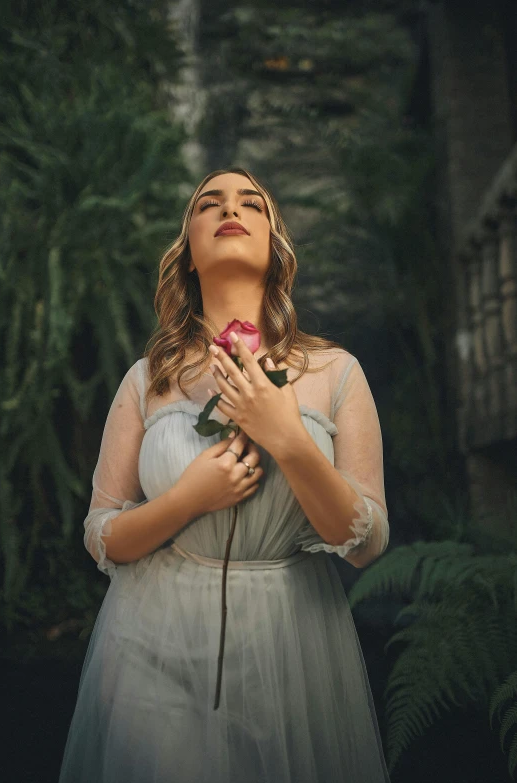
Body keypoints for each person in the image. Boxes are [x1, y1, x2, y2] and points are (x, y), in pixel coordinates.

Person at [58, 168, 391, 783]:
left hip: (294, 644)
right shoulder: (144, 381)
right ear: (187, 253)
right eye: (208, 204)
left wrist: (289, 439)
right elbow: (101, 533)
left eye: (250, 204)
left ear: (276, 245)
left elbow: (367, 543)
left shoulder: (336, 372)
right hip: (152, 643)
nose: (228, 209)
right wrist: (185, 500)